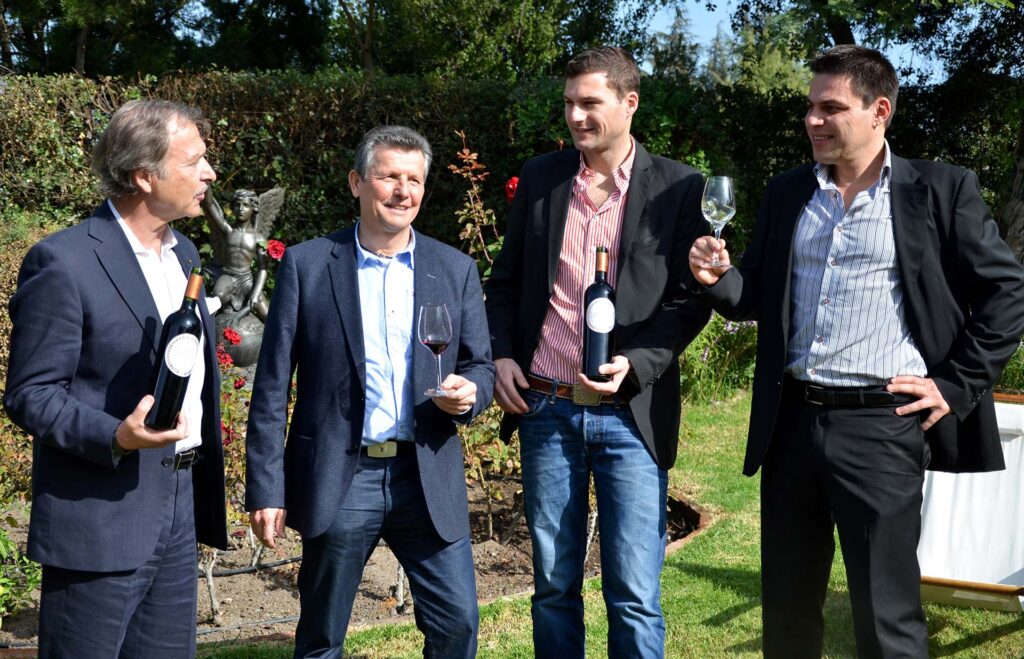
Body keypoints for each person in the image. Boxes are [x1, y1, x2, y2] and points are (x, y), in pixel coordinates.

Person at [689, 44, 1024, 657]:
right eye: (810, 107)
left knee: (885, 617)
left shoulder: (940, 190)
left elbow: (1008, 292)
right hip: (790, 423)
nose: (813, 120)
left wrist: (953, 385)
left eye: (831, 107)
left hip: (880, 427)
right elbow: (754, 295)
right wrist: (718, 281)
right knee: (787, 611)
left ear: (879, 111)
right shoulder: (787, 192)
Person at [484, 46, 710, 657]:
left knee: (634, 593)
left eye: (590, 102)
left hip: (631, 418)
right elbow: (503, 286)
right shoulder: (541, 179)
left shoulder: (681, 187)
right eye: (568, 103)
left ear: (629, 103)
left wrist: (639, 364)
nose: (576, 115)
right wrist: (502, 355)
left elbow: (691, 300)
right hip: (548, 410)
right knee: (554, 587)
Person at [245, 125, 494, 658]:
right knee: (321, 637)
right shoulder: (309, 265)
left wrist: (469, 391)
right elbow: (270, 388)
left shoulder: (454, 269)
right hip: (342, 475)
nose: (403, 190)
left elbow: (480, 364)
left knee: (457, 625)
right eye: (389, 177)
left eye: (414, 179)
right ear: (358, 182)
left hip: (424, 472)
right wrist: (267, 488)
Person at [4, 99, 227, 658]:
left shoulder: (185, 256)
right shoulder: (64, 261)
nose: (210, 173)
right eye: (195, 160)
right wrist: (115, 435)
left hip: (177, 505)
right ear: (144, 175)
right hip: (98, 521)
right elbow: (30, 394)